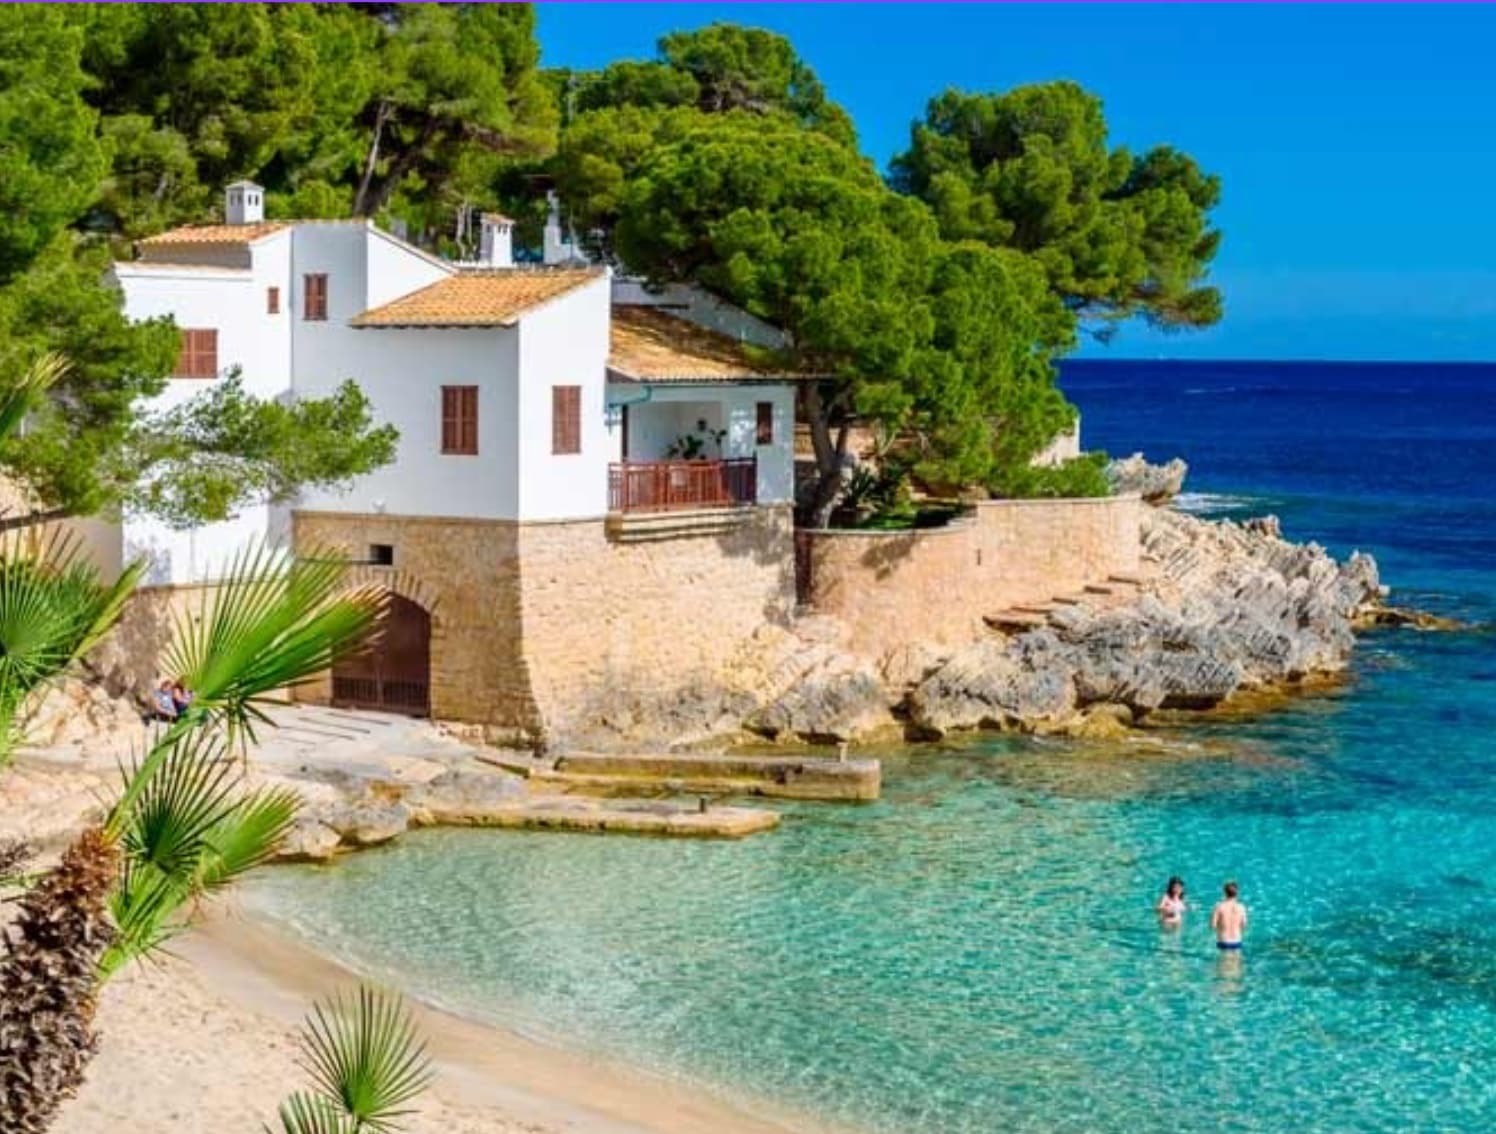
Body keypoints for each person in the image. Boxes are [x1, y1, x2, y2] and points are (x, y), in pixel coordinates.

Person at [1210, 880, 1248, 950]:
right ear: (1237, 893)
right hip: (1237, 941)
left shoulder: (1219, 906)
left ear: (1224, 892)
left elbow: (1212, 925)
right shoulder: (1241, 907)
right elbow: (1244, 925)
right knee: (1236, 960)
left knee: (1223, 960)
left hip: (1223, 941)